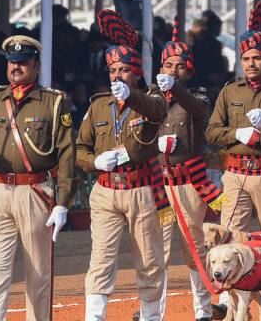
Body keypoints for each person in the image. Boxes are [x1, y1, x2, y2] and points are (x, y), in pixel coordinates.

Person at [0, 35, 75, 321]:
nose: (16, 67)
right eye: (12, 62)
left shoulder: (53, 102)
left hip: (35, 191)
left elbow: (66, 155)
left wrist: (63, 202)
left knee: (38, 273)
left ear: (36, 66)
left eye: (23, 62)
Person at [75, 33, 169, 321]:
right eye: (113, 70)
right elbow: (79, 149)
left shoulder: (152, 100)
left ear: (137, 73)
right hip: (105, 190)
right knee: (101, 258)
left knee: (149, 260)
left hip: (143, 190)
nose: (117, 75)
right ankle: (95, 317)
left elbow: (157, 111)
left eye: (124, 70)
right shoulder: (98, 106)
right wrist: (94, 162)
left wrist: (133, 97)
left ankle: (152, 316)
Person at [151, 21, 220, 321]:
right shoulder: (150, 99)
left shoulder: (199, 95)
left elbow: (198, 108)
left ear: (189, 72)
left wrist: (176, 89)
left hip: (188, 184)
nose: (174, 70)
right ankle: (153, 313)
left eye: (180, 66)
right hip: (156, 184)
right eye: (168, 65)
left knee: (194, 247)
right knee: (157, 252)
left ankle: (203, 311)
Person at [204, 2, 261, 235]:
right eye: (246, 58)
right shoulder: (231, 90)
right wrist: (237, 133)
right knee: (230, 236)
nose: (250, 63)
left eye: (257, 58)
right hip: (234, 174)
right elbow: (212, 132)